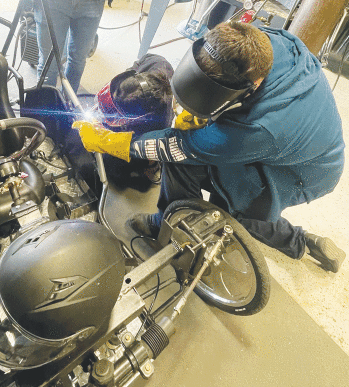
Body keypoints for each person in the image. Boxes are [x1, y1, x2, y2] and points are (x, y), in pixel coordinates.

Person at [74, 22, 346, 273]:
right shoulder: (259, 42)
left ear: (253, 85)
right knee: (215, 190)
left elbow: (178, 146)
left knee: (227, 205)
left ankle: (167, 229)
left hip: (303, 171)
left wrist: (113, 142)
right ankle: (305, 242)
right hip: (303, 139)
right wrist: (200, 109)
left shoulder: (259, 129)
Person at [64, 53, 174, 191]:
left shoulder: (160, 123)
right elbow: (135, 68)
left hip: (147, 140)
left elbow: (144, 146)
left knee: (115, 165)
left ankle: (151, 167)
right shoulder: (155, 61)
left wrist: (107, 138)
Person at [33, 0, 104, 93]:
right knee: (49, 64)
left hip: (91, 5)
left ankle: (67, 104)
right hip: (52, 4)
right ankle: (45, 102)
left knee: (77, 62)